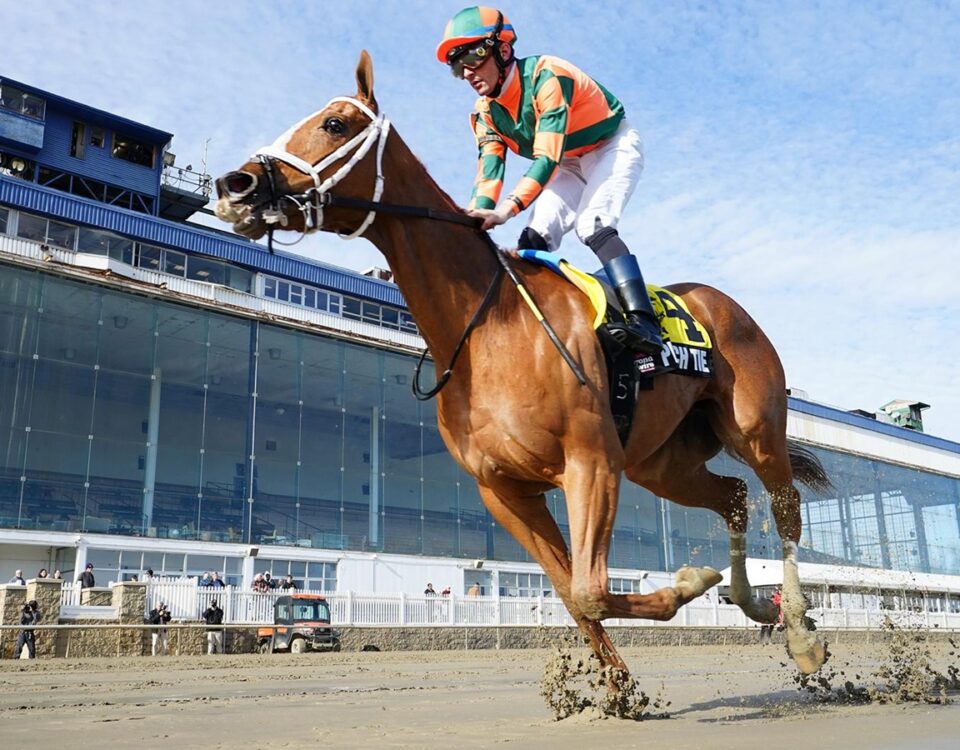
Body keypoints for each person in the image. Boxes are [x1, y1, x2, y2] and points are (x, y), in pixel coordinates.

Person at [437, 6, 662, 354]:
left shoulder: (547, 76)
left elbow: (547, 157)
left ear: (504, 49)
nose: (467, 72)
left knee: (593, 224)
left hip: (611, 145)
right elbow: (490, 169)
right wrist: (476, 215)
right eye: (457, 65)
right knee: (532, 239)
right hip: (571, 160)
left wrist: (506, 210)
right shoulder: (484, 112)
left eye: (474, 56)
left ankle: (644, 322)